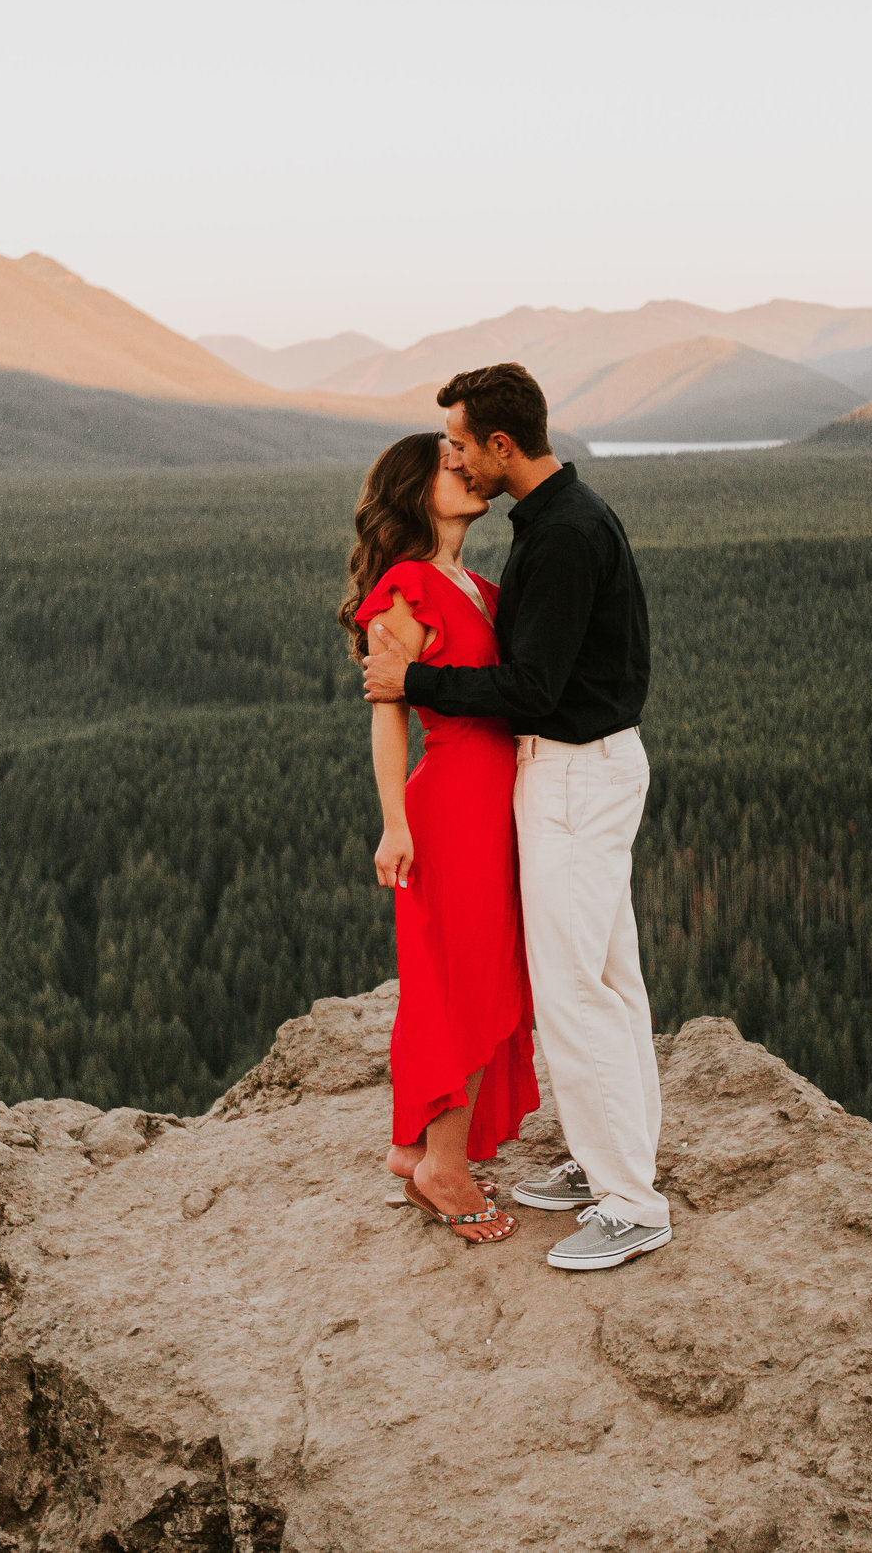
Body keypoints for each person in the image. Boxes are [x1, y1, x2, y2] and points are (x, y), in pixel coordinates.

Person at [362, 363, 669, 1272]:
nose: (453, 456)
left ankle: (629, 1199)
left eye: (460, 443)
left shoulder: (563, 535)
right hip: (535, 784)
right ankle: (608, 1162)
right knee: (602, 979)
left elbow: (530, 686)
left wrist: (413, 679)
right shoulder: (551, 525)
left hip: (572, 778)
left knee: (576, 988)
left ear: (502, 446)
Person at [341, 431, 539, 1245]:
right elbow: (388, 716)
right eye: (451, 466)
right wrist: (394, 822)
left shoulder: (479, 588)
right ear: (416, 490)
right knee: (469, 980)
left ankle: (411, 1147)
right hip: (453, 800)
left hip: (492, 799)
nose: (468, 471)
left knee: (467, 972)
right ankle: (442, 1165)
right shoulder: (406, 587)